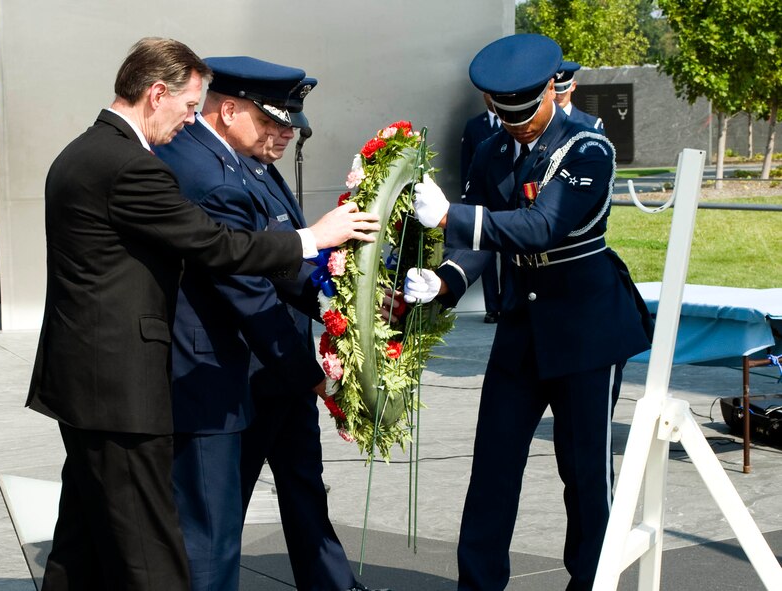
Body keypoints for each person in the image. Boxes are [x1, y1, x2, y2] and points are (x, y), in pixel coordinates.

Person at [26, 38, 379, 591]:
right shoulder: (132, 165)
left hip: (87, 380)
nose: (192, 119)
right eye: (190, 106)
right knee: (157, 555)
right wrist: (314, 238)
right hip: (123, 389)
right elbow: (218, 248)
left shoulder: (86, 151)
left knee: (82, 541)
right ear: (157, 93)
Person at [405, 34, 651, 590]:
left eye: (529, 111)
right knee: (493, 464)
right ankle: (479, 583)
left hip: (586, 327)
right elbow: (482, 238)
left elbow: (543, 225)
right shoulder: (493, 150)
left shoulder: (588, 147)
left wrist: (453, 218)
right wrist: (446, 279)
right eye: (506, 114)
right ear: (492, 104)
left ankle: (592, 581)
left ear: (551, 90)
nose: (519, 125)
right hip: (522, 327)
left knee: (584, 471)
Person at [237, 79, 385, 591]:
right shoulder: (226, 179)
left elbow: (294, 269)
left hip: (289, 364)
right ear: (231, 110)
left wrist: (348, 306)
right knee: (226, 500)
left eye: (290, 126)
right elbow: (251, 282)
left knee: (303, 485)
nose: (284, 135)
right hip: (254, 367)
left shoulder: (263, 171)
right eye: (273, 123)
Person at [460, 93, 501, 323]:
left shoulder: (511, 124)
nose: (491, 98)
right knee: (485, 255)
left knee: (509, 255)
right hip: (482, 200)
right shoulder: (474, 126)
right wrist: (467, 198)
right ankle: (492, 307)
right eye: (488, 94)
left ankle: (507, 302)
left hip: (504, 200)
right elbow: (466, 164)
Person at [554, 60, 604, 133]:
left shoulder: (591, 125)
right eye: (556, 90)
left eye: (563, 91)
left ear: (573, 86)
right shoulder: (538, 123)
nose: (558, 95)